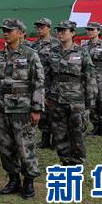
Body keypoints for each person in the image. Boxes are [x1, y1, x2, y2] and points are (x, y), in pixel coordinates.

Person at [0, 19, 44, 199]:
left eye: (10, 30)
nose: (5, 33)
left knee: (25, 146)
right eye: (4, 30)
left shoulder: (30, 54)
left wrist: (36, 109)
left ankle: (29, 181)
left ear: (21, 33)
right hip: (2, 108)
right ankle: (13, 179)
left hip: (22, 108)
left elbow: (38, 82)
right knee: (6, 147)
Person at [46, 21, 95, 165]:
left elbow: (90, 77)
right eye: (58, 31)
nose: (60, 33)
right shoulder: (52, 52)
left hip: (76, 100)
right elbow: (47, 76)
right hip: (56, 99)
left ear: (73, 33)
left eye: (64, 31)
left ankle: (77, 162)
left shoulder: (82, 52)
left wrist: (90, 100)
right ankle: (65, 161)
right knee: (59, 133)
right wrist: (46, 95)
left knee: (77, 132)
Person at [29, 18, 59, 149]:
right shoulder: (34, 45)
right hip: (39, 84)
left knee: (55, 112)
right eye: (38, 27)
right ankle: (45, 139)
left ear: (49, 28)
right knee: (43, 113)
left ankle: (56, 140)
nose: (40, 29)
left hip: (52, 82)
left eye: (43, 27)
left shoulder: (56, 44)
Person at [82, 22, 102, 136]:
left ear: (98, 31)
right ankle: (95, 125)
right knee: (91, 101)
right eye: (88, 29)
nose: (90, 31)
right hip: (88, 77)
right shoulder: (84, 46)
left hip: (101, 77)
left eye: (92, 29)